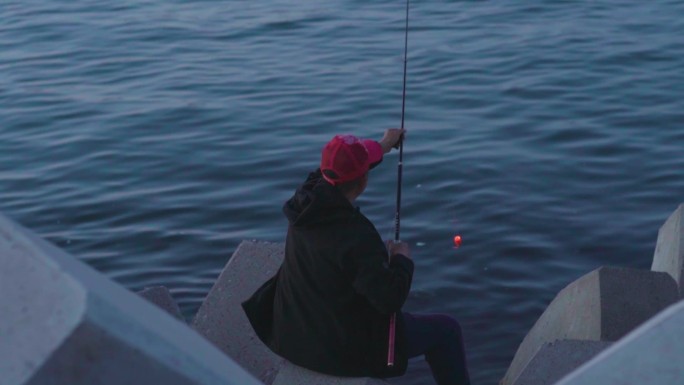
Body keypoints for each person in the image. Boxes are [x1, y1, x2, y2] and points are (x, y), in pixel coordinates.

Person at [242, 129, 470, 385]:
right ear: (363, 181)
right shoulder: (355, 236)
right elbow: (389, 299)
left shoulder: (304, 202)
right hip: (337, 353)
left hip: (291, 336)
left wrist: (384, 145)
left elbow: (341, 170)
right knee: (447, 330)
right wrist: (402, 259)